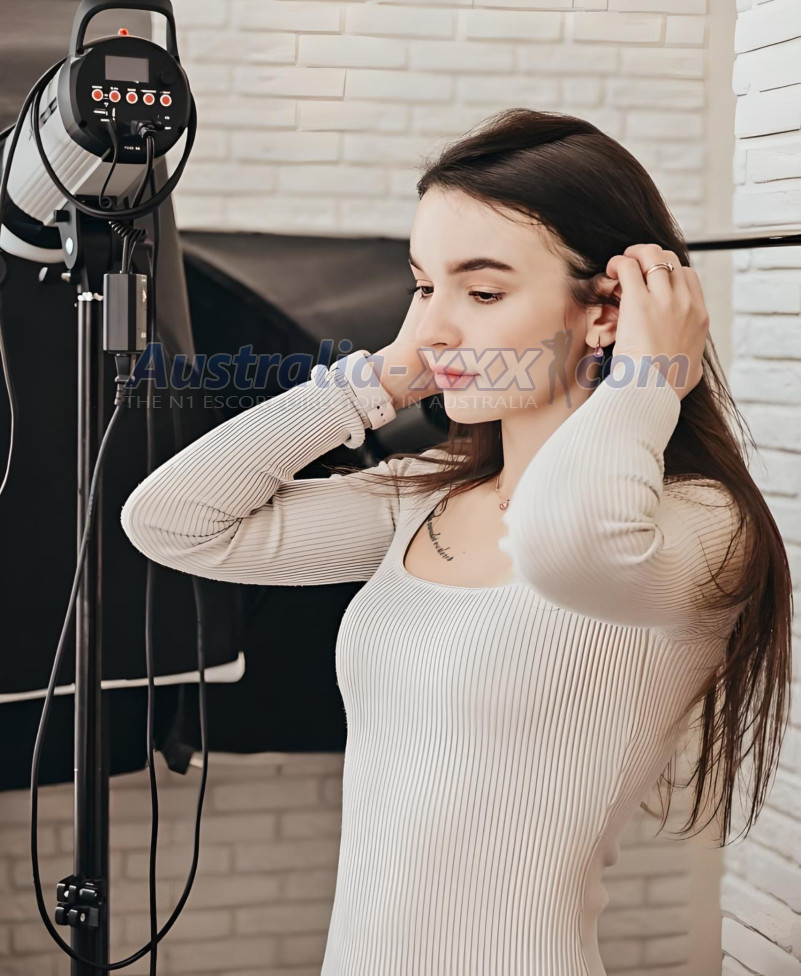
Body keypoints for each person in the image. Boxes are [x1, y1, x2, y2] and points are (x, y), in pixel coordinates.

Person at [120, 108, 792, 976]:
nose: (434, 326)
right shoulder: (426, 497)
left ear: (607, 310)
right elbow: (171, 521)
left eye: (480, 292)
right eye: (421, 286)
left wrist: (647, 376)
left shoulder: (699, 526)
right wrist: (384, 377)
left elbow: (563, 546)